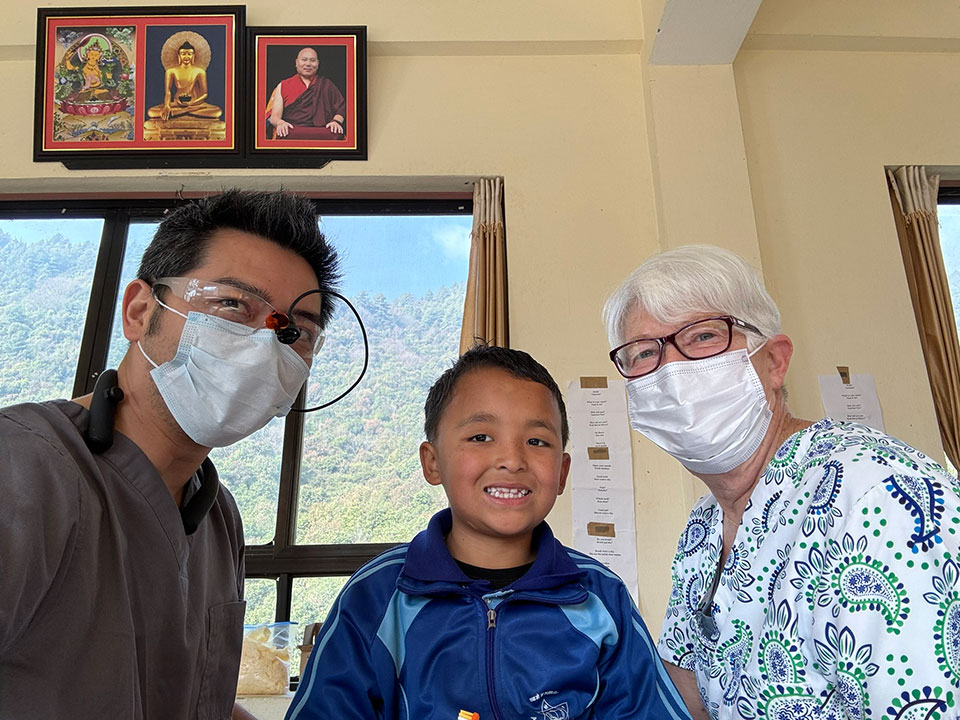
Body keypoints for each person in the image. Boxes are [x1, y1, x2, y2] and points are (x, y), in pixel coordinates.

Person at [0, 190, 339, 720]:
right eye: (231, 305)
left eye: (292, 333)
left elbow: (184, 692)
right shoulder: (24, 468)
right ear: (139, 311)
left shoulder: (215, 513)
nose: (261, 346)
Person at [602, 245, 960, 720]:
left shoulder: (882, 497)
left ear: (773, 361)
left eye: (704, 335)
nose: (672, 372)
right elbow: (683, 696)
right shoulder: (703, 530)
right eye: (645, 353)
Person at [285, 344, 691, 720]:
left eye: (536, 440)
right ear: (433, 462)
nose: (512, 459)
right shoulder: (376, 598)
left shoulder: (601, 599)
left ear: (563, 472)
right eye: (481, 437)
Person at [266, 47, 345, 140]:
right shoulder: (283, 85)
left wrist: (336, 121)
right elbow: (274, 118)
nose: (308, 64)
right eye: (304, 60)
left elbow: (342, 108)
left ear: (318, 64)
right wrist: (280, 123)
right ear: (296, 62)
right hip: (293, 130)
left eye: (312, 60)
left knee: (336, 134)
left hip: (322, 131)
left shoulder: (327, 85)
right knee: (284, 133)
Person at [147, 40, 223, 121]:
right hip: (177, 103)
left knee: (217, 111)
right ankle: (186, 111)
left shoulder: (200, 71)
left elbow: (204, 94)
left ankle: (181, 112)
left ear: (193, 56)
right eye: (183, 54)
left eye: (189, 54)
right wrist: (167, 105)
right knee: (151, 112)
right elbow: (168, 92)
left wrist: (192, 103)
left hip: (195, 103)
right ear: (179, 56)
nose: (186, 57)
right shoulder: (171, 71)